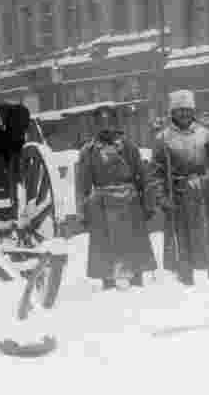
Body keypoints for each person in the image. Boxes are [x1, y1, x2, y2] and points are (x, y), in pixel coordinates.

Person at [152, 90, 209, 285]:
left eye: (187, 110)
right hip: (179, 194)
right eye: (179, 110)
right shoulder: (162, 138)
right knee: (183, 237)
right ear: (172, 113)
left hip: (206, 192)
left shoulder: (205, 134)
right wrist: (162, 198)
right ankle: (186, 278)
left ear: (193, 111)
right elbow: (155, 174)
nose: (184, 114)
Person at [76, 106, 157, 290]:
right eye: (100, 123)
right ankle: (108, 281)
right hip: (101, 204)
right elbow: (82, 185)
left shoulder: (129, 147)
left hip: (130, 202)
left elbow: (142, 176)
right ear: (95, 126)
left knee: (135, 243)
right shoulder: (88, 151)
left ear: (116, 124)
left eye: (109, 122)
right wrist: (82, 212)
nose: (106, 128)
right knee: (104, 246)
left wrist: (149, 204)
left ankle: (137, 279)